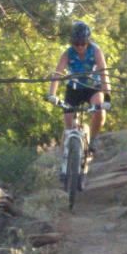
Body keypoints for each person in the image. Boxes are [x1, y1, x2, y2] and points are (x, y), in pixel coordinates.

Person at [46, 21, 110, 162]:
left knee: (100, 112)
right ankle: (65, 160)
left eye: (83, 43)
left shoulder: (95, 50)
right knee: (68, 123)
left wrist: (107, 98)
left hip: (93, 87)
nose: (80, 47)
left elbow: (104, 74)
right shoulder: (67, 53)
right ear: (72, 43)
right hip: (74, 88)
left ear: (88, 42)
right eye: (76, 44)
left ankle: (93, 140)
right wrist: (52, 94)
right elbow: (57, 74)